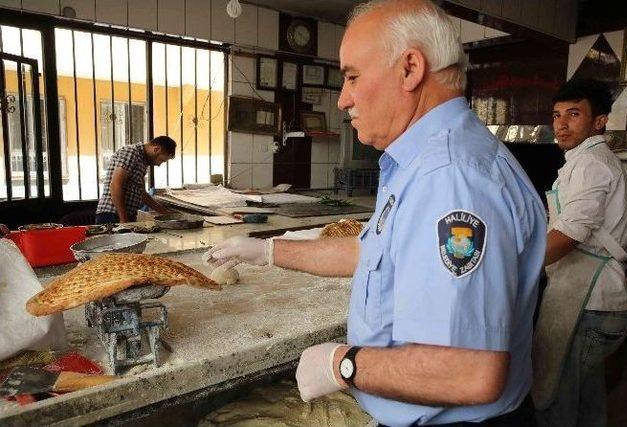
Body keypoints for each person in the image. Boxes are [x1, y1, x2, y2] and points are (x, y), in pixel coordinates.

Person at [204, 0, 547, 425]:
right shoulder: (421, 163)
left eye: (352, 76)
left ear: (410, 69)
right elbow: (375, 251)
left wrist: (343, 365)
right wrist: (270, 250)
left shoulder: (450, 178)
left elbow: (469, 372)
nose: (344, 99)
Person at [532, 79, 627, 426]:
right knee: (586, 406)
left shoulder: (592, 165)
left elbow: (568, 236)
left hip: (588, 304)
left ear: (599, 121)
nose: (560, 124)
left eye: (573, 114)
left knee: (560, 407)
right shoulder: (583, 161)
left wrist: (514, 269)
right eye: (557, 115)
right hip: (593, 300)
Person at [95, 136, 175, 224]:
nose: (159, 164)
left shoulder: (142, 161)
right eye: (161, 160)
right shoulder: (131, 152)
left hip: (125, 215)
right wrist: (124, 219)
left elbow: (142, 194)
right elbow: (116, 185)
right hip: (112, 214)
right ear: (156, 149)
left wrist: (168, 214)